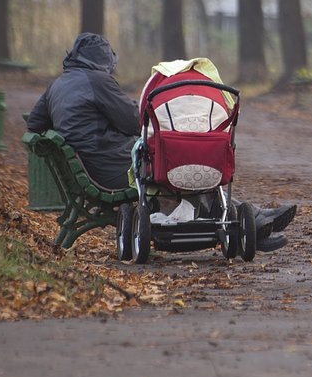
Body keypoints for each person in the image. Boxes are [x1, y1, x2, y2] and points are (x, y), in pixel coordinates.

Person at [25, 32, 295, 252]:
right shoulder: (97, 81)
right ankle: (253, 221)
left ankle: (256, 226)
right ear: (103, 62)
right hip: (111, 168)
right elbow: (135, 121)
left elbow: (35, 124)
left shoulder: (58, 85)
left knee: (174, 161)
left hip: (89, 167)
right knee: (178, 159)